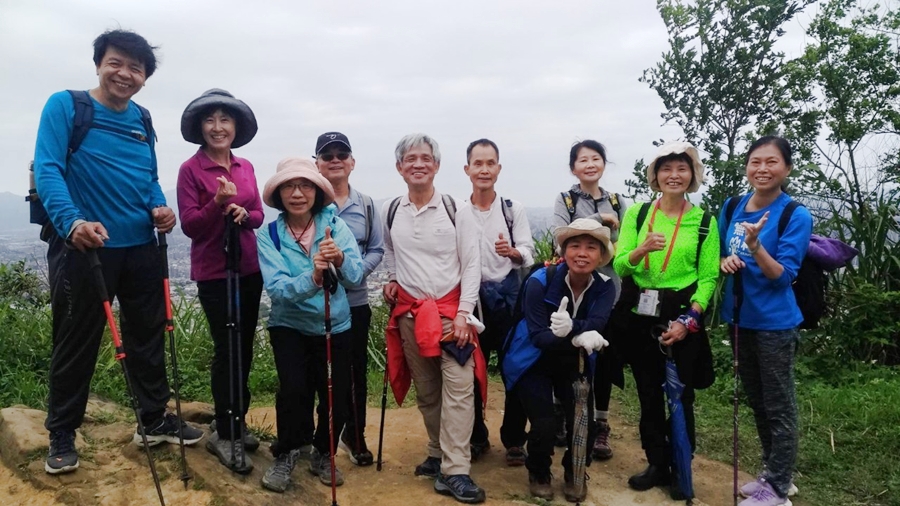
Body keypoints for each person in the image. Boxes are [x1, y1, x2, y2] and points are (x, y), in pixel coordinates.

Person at [34, 29, 203, 476]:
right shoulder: (66, 106)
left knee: (147, 335)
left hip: (141, 246)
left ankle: (153, 419)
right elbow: (49, 169)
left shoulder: (142, 118)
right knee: (77, 340)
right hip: (86, 246)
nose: (124, 74)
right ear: (98, 64)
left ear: (145, 77)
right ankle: (61, 432)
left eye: (135, 68)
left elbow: (149, 178)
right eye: (116, 63)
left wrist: (159, 207)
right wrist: (72, 223)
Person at [382, 133, 486, 504]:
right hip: (411, 314)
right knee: (427, 390)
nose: (418, 164)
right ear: (399, 167)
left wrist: (464, 314)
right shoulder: (392, 210)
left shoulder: (457, 209)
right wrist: (392, 278)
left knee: (459, 387)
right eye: (410, 159)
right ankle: (438, 451)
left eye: (425, 158)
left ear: (437, 165)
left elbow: (471, 265)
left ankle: (455, 470)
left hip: (450, 315)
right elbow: (390, 250)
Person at [612, 141, 718, 499]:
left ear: (692, 175)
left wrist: (689, 320)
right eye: (666, 169)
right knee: (648, 394)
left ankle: (680, 465)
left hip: (681, 316)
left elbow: (707, 278)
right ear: (655, 176)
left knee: (681, 396)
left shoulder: (704, 222)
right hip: (640, 316)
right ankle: (656, 462)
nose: (674, 175)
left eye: (682, 169)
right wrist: (641, 250)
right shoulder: (638, 214)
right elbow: (620, 265)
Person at [257, 158, 363, 492]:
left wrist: (340, 258)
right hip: (289, 325)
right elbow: (277, 289)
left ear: (317, 191)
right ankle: (288, 450)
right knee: (293, 389)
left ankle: (324, 451)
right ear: (279, 194)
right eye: (289, 186)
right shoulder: (269, 235)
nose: (297, 193)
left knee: (335, 395)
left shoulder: (335, 226)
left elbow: (356, 276)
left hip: (335, 324)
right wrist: (314, 277)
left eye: (305, 185)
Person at [720, 136, 811, 506]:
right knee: (758, 400)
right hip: (740, 318)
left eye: (771, 162)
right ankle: (773, 474)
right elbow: (720, 255)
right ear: (747, 166)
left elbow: (783, 276)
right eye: (755, 161)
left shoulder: (794, 214)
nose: (762, 169)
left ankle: (778, 487)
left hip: (775, 323)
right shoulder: (732, 206)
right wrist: (725, 262)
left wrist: (756, 247)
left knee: (779, 405)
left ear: (786, 168)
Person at [176, 88, 262, 473]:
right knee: (226, 348)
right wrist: (217, 204)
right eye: (209, 120)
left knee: (244, 347)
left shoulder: (245, 166)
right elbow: (191, 226)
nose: (217, 127)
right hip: (214, 272)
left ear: (235, 127)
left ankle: (237, 420)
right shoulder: (190, 170)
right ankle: (225, 430)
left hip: (248, 268)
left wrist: (244, 213)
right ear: (200, 127)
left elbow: (258, 214)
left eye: (225, 119)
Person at [501, 218, 615, 502]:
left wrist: (572, 328)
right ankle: (539, 471)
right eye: (575, 246)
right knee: (544, 423)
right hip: (533, 359)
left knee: (582, 419)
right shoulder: (540, 281)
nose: (582, 253)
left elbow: (598, 322)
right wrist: (578, 335)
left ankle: (575, 471)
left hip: (574, 361)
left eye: (591, 247)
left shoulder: (604, 286)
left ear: (601, 255)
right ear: (564, 252)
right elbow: (539, 335)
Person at [462, 138, 535, 466]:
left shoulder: (511, 209)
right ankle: (476, 436)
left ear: (499, 168)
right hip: (472, 301)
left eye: (490, 163)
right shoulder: (459, 211)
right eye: (478, 163)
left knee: (515, 368)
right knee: (470, 372)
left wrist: (512, 253)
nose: (484, 169)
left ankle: (514, 438)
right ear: (467, 169)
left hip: (508, 302)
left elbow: (528, 253)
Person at [550, 139, 625, 460]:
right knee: (564, 351)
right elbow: (559, 237)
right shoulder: (566, 199)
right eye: (583, 160)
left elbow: (624, 242)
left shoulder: (617, 201)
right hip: (571, 288)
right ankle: (561, 413)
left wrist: (605, 223)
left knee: (604, 358)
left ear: (604, 164)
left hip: (609, 290)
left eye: (596, 158)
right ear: (573, 168)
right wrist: (601, 220)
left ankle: (600, 424)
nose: (590, 164)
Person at [314, 131, 384, 467]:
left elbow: (377, 249)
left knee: (354, 372)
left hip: (354, 302)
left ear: (352, 162)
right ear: (317, 164)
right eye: (327, 156)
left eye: (341, 155)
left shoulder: (366, 205)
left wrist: (354, 273)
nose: (335, 161)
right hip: (317, 302)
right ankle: (318, 439)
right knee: (320, 373)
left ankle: (355, 434)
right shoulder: (308, 202)